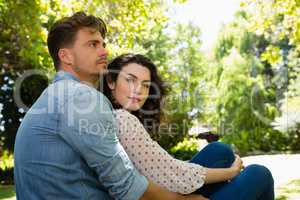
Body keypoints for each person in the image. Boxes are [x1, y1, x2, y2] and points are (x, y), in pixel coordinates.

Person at [13, 12, 208, 200]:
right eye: (93, 44)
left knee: (216, 157)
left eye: (103, 44)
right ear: (66, 56)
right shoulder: (81, 97)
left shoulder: (53, 97)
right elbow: (128, 188)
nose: (104, 51)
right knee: (224, 161)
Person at [102, 53, 275, 200]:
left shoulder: (113, 115)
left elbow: (162, 169)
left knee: (219, 150)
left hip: (162, 192)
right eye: (130, 80)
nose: (138, 90)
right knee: (259, 174)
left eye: (146, 85)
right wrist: (231, 172)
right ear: (111, 82)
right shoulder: (122, 118)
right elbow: (171, 172)